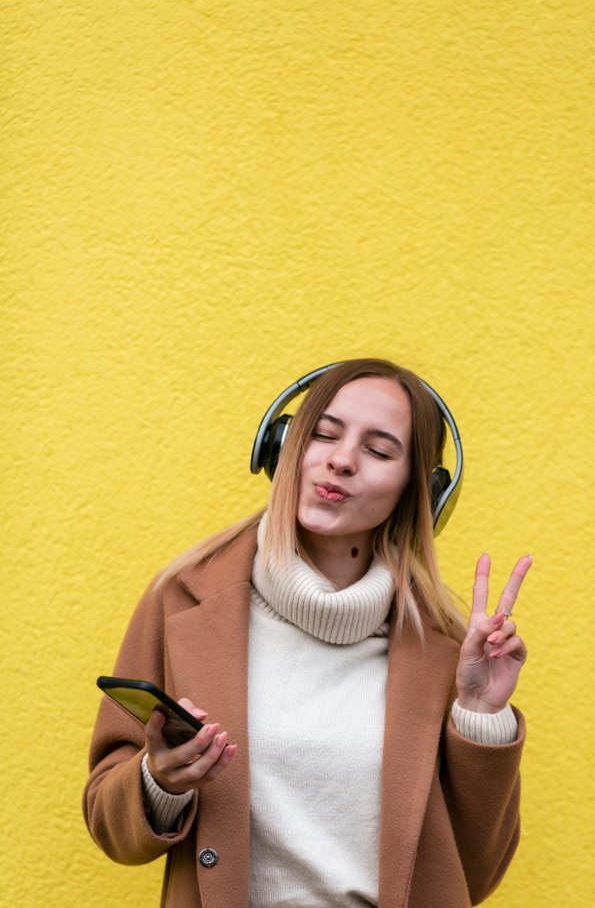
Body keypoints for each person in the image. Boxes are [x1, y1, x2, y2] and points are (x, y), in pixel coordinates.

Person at [83, 358, 531, 908]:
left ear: (420, 491)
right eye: (323, 434)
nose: (341, 461)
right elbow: (108, 823)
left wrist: (481, 717)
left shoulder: (447, 646)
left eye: (379, 449)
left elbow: (472, 874)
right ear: (282, 446)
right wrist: (161, 781)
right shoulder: (181, 598)